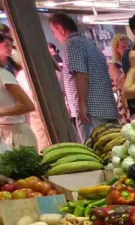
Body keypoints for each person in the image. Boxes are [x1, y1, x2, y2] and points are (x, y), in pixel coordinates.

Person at [49, 12, 117, 141]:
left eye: (53, 31)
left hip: (91, 111)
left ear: (60, 29)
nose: (55, 36)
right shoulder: (88, 43)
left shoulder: (72, 44)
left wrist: (81, 105)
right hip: (106, 107)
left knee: (95, 150)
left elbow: (81, 75)